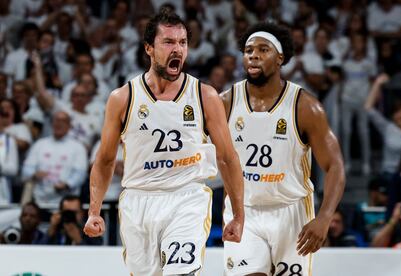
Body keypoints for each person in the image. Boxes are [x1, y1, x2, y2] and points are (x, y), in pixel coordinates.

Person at [83, 10, 244, 276]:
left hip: (186, 197)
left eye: (182, 42)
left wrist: (237, 214)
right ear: (149, 48)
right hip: (138, 201)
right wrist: (94, 211)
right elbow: (105, 159)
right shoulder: (123, 98)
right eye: (169, 42)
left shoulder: (205, 96)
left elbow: (228, 157)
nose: (177, 49)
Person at [220, 22, 345, 276]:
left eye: (263, 49)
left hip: (291, 212)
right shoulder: (225, 102)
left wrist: (324, 218)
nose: (253, 54)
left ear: (280, 59)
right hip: (245, 212)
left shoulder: (305, 107)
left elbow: (335, 167)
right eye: (248, 49)